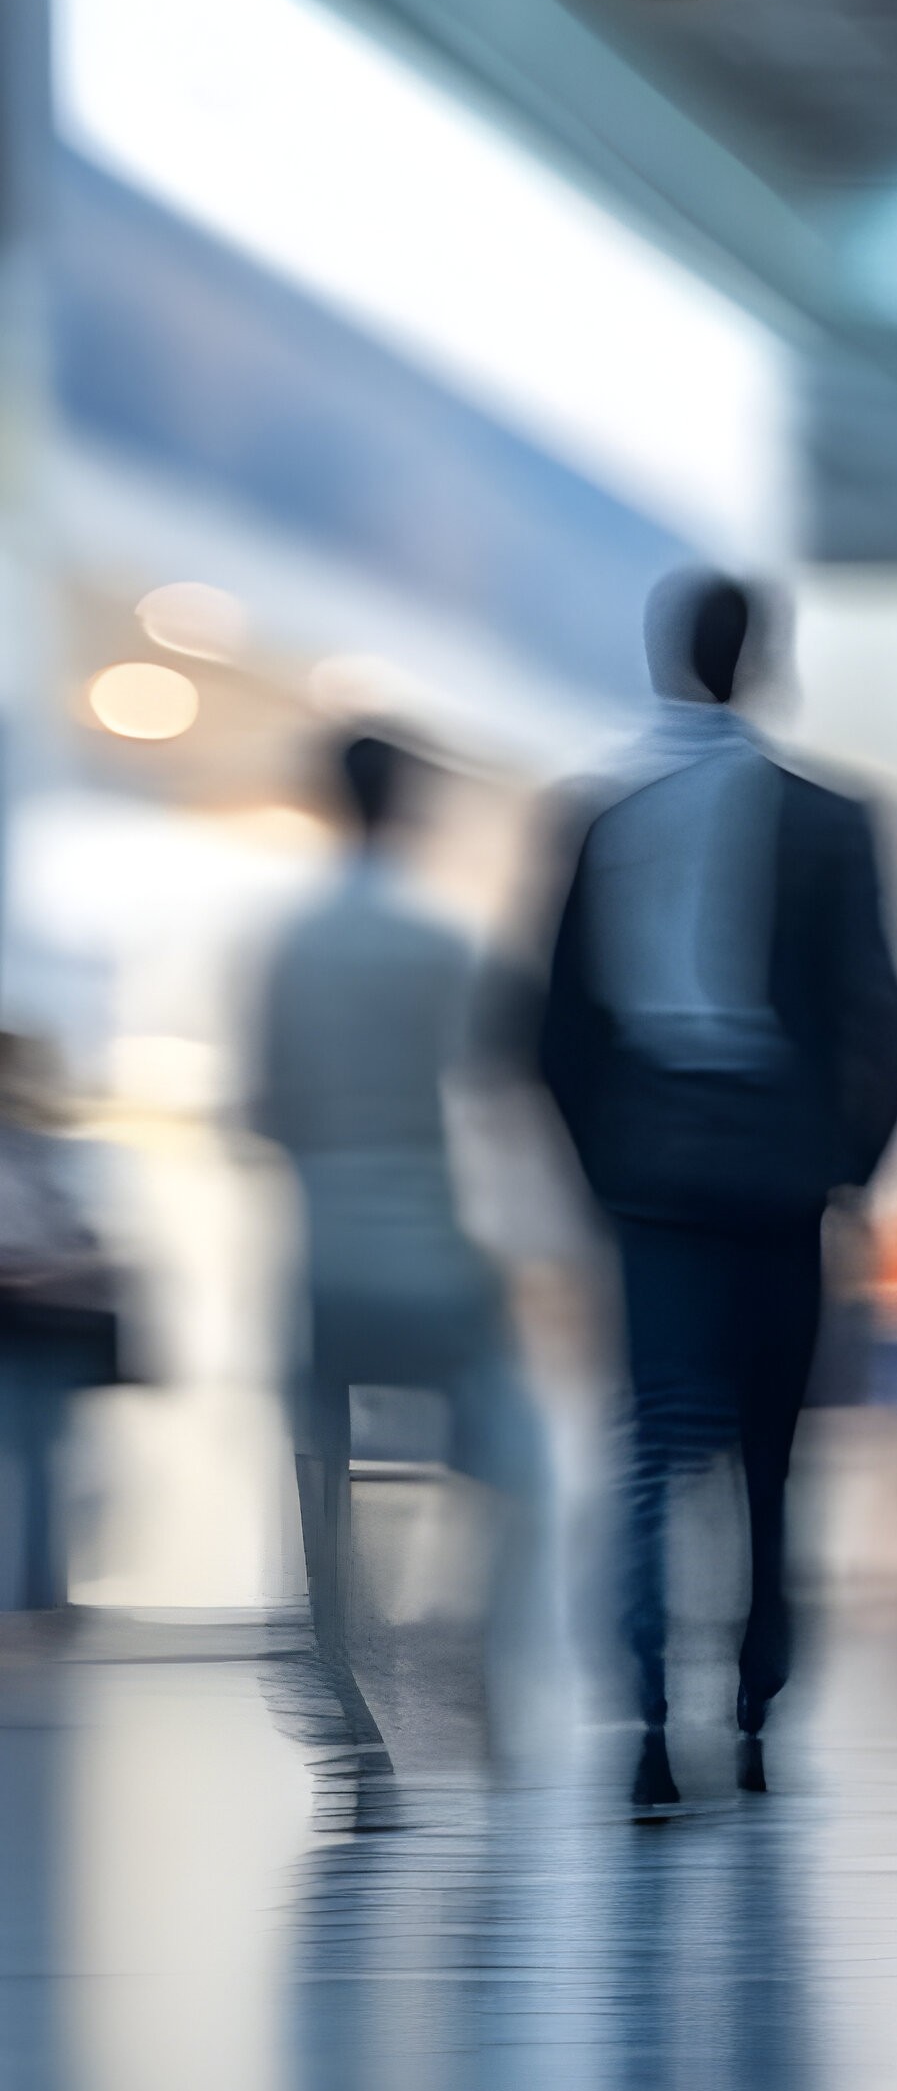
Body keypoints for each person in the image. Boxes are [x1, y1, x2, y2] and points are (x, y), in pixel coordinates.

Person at [534, 571, 897, 1817]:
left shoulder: (601, 819)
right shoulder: (833, 818)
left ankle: (648, 1715)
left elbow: (550, 1030)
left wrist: (598, 1170)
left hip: (652, 1169)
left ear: (662, 657)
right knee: (771, 1454)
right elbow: (882, 1016)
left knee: (652, 1446)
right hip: (780, 1171)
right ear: (763, 659)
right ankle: (755, 1709)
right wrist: (854, 1166)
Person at [251, 730, 545, 1795]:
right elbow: (493, 1098)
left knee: (318, 1461)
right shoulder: (443, 945)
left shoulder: (294, 944)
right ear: (411, 807)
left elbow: (265, 1107)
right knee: (516, 1463)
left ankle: (338, 1674)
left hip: (328, 1254)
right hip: (432, 1253)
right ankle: (471, 1655)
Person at [0, 1035, 117, 1625]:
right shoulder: (50, 1154)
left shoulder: (48, 1154)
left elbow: (88, 1242)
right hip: (41, 1323)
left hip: (41, 1326)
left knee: (41, 1463)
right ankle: (33, 1604)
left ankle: (36, 1602)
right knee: (37, 1463)